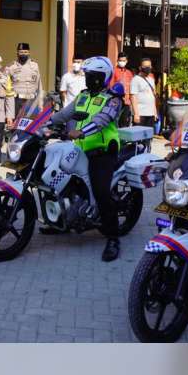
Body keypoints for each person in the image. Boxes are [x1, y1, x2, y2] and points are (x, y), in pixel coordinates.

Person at [49, 56, 123, 262]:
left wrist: (80, 133)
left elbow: (101, 121)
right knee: (60, 181)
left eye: (92, 76)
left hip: (103, 152)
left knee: (101, 192)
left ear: (102, 77)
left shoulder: (113, 99)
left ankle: (113, 238)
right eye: (87, 75)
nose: (88, 79)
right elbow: (63, 115)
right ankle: (62, 220)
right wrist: (44, 125)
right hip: (79, 150)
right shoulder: (82, 96)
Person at [6, 43, 42, 117]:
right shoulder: (11, 66)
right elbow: (5, 85)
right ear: (17, 53)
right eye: (21, 52)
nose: (23, 54)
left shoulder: (34, 66)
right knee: (15, 124)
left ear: (29, 53)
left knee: (30, 125)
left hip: (31, 101)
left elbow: (39, 86)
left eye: (25, 52)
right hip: (16, 101)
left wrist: (40, 103)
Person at [130, 57, 157, 129]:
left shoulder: (151, 80)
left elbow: (153, 97)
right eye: (145, 66)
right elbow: (133, 97)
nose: (148, 68)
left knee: (148, 138)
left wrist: (155, 112)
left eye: (149, 66)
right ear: (140, 67)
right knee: (138, 137)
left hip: (150, 114)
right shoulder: (136, 79)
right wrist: (136, 114)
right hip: (140, 114)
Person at [112, 51, 134, 126]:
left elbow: (132, 88)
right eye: (120, 60)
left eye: (123, 61)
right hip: (116, 102)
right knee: (115, 122)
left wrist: (131, 101)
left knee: (125, 123)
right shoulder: (113, 72)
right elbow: (110, 87)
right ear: (117, 61)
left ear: (126, 61)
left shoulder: (129, 73)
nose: (122, 62)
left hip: (127, 102)